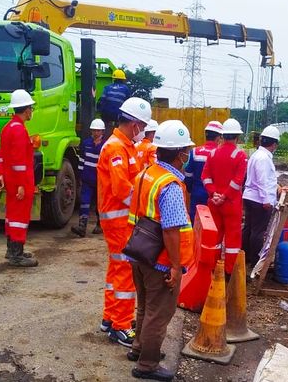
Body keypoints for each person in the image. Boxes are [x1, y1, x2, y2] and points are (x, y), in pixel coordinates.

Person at [127, 119, 195, 382]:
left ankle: (138, 348)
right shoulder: (171, 186)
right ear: (180, 155)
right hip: (161, 261)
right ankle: (147, 364)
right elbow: (171, 230)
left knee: (143, 306)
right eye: (186, 151)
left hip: (139, 252)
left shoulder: (145, 174)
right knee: (159, 313)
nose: (188, 155)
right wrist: (176, 267)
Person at [98, 96, 151, 347]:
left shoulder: (125, 145)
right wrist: (145, 206)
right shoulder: (116, 147)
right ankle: (120, 325)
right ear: (134, 124)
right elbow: (122, 190)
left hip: (121, 218)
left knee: (115, 269)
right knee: (124, 272)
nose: (143, 131)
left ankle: (110, 317)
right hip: (119, 219)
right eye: (142, 125)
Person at [0, 90, 38, 267]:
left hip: (11, 179)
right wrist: (21, 184)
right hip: (20, 180)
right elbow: (19, 161)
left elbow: (2, 155)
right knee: (19, 217)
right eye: (31, 108)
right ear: (26, 110)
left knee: (11, 215)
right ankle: (16, 255)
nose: (32, 111)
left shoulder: (8, 128)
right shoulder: (19, 130)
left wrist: (1, 175)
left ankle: (11, 250)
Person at [201, 118, 248, 275]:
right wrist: (224, 196)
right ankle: (229, 272)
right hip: (231, 204)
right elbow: (238, 181)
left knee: (215, 237)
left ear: (222, 136)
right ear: (237, 137)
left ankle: (212, 268)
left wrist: (213, 193)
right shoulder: (240, 156)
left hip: (214, 202)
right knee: (232, 239)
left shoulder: (213, 153)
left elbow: (205, 176)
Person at [242, 125, 280, 266]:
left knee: (249, 228)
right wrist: (266, 200)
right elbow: (262, 181)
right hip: (259, 199)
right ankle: (254, 261)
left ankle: (244, 256)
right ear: (274, 144)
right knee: (258, 232)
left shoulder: (256, 155)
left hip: (251, 197)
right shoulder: (264, 158)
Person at [71, 118, 106, 238]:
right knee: (84, 202)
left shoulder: (105, 146)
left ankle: (100, 225)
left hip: (100, 181)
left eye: (98, 131)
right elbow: (81, 160)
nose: (96, 133)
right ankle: (82, 226)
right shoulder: (86, 144)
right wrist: (80, 176)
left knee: (100, 204)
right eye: (94, 130)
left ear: (102, 132)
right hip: (87, 179)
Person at [184, 120, 223, 222]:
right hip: (214, 196)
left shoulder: (194, 152)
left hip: (196, 194)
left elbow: (188, 175)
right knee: (211, 225)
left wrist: (191, 189)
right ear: (219, 137)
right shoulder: (220, 154)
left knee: (195, 222)